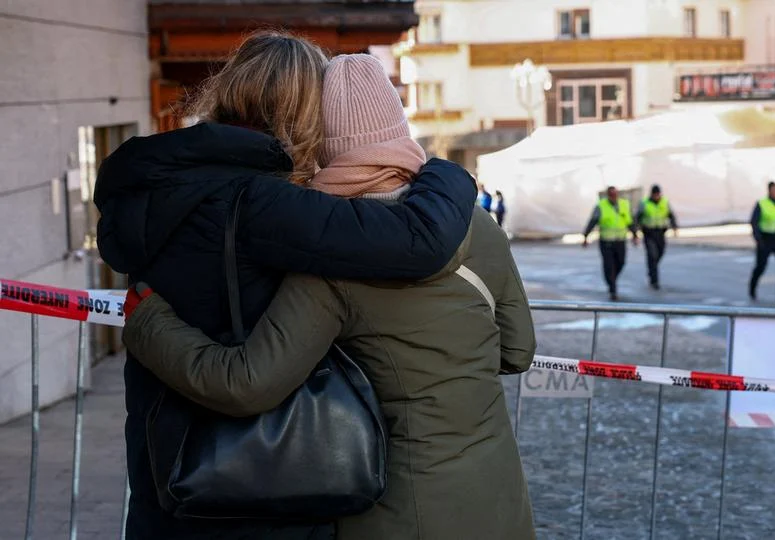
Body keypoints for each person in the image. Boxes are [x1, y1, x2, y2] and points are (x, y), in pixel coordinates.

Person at [121, 54, 537, 540]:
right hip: (498, 494)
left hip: (398, 510)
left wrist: (148, 321)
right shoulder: (477, 223)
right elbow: (517, 351)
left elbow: (248, 383)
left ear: (323, 143)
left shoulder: (329, 263)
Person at [583, 186, 636, 301]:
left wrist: (635, 234)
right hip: (606, 241)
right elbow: (593, 221)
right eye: (611, 195)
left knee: (621, 262)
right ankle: (613, 289)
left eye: (615, 194)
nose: (614, 197)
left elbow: (630, 221)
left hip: (620, 241)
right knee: (609, 265)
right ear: (608, 195)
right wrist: (586, 235)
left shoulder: (624, 204)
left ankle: (612, 280)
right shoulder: (601, 206)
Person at [635, 184, 678, 290]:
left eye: (658, 194)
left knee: (660, 253)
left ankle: (651, 269)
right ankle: (654, 281)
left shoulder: (665, 202)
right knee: (652, 255)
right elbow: (637, 217)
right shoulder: (644, 203)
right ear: (652, 194)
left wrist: (674, 227)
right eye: (655, 194)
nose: (656, 196)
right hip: (649, 233)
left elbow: (671, 215)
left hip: (661, 233)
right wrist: (635, 231)